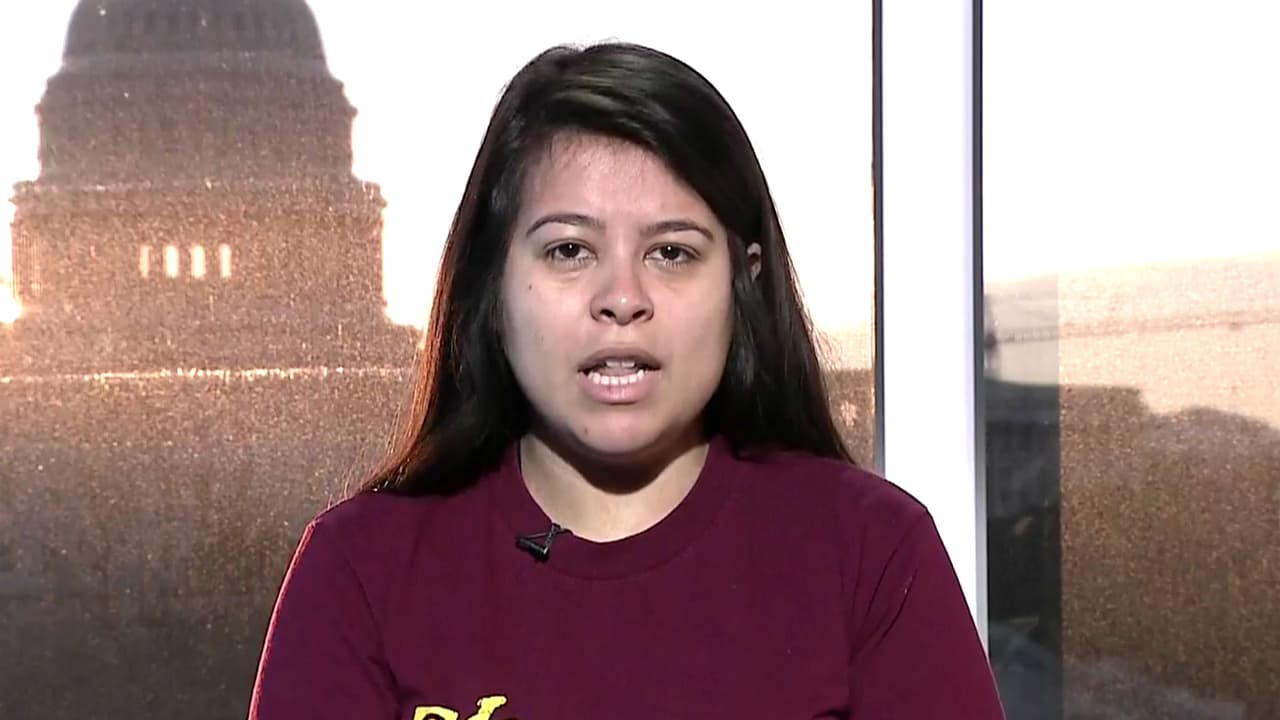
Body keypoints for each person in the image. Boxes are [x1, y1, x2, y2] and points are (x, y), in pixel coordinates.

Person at [248, 41, 1006, 719]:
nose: (621, 297)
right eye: (569, 251)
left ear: (743, 282)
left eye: (672, 253)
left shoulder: (871, 553)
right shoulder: (359, 571)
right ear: (492, 283)